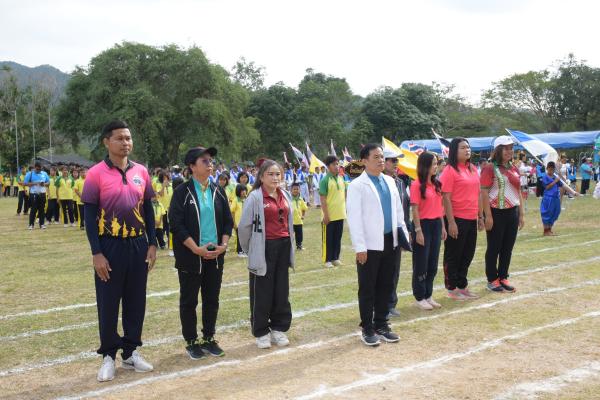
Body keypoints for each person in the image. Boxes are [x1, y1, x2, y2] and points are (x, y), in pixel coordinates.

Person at [81, 120, 157, 382]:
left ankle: (131, 351)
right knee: (108, 302)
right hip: (109, 245)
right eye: (120, 138)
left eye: (128, 138)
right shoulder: (95, 174)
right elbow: (89, 217)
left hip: (138, 244)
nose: (126, 143)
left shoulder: (142, 172)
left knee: (136, 300)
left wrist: (152, 243)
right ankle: (108, 356)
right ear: (107, 142)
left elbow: (148, 209)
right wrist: (97, 253)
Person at [170, 146, 233, 360]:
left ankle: (209, 338)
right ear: (192, 166)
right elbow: (176, 225)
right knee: (189, 301)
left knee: (211, 299)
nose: (210, 164)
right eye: (204, 161)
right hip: (191, 256)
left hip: (215, 256)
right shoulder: (182, 192)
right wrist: (196, 248)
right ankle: (191, 341)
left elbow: (227, 222)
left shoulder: (218, 190)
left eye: (211, 161)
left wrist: (223, 245)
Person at [347, 143, 409, 346]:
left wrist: (403, 237)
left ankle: (382, 324)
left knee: (387, 284)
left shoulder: (390, 181)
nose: (381, 160)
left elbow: (399, 212)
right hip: (370, 244)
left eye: (382, 157)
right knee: (368, 287)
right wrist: (360, 247)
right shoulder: (357, 185)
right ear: (364, 161)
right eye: (376, 157)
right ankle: (367, 328)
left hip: (391, 241)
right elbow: (354, 218)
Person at [238, 159, 295, 349]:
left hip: (283, 245)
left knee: (281, 290)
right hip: (263, 248)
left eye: (277, 174)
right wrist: (250, 249)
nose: (275, 177)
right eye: (270, 174)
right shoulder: (255, 197)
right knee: (262, 291)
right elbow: (244, 227)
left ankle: (279, 328)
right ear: (261, 177)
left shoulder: (285, 194)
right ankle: (261, 331)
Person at [439, 138, 483, 300]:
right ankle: (452, 288)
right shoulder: (449, 171)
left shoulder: (473, 169)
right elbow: (445, 197)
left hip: (471, 218)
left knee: (467, 254)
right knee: (454, 254)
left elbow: (478, 194)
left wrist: (480, 216)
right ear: (454, 151)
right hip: (456, 218)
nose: (467, 150)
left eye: (468, 147)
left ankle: (462, 286)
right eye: (463, 147)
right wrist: (451, 222)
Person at [480, 136, 524, 293]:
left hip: (512, 212)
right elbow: (484, 193)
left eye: (511, 148)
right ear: (498, 150)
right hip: (496, 212)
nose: (509, 151)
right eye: (506, 148)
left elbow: (518, 191)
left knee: (507, 247)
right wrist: (488, 215)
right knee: (494, 247)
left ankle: (503, 276)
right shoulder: (489, 168)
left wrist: (521, 214)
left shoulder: (514, 168)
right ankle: (492, 279)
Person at [410, 152, 446, 310]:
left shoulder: (437, 184)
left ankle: (428, 294)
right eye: (433, 164)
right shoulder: (416, 185)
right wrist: (418, 231)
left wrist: (443, 227)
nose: (436, 167)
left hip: (436, 224)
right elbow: (415, 209)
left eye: (437, 164)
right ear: (425, 166)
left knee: (433, 263)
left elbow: (440, 209)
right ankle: (420, 296)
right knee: (421, 263)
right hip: (423, 225)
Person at [383, 148, 411, 317]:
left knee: (395, 269)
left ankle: (391, 303)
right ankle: (381, 305)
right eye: (393, 160)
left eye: (397, 161)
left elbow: (405, 208)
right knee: (383, 271)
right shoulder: (379, 182)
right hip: (383, 233)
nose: (396, 164)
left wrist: (407, 231)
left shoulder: (400, 182)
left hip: (398, 232)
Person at [319, 155, 346, 268]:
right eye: (334, 164)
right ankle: (327, 260)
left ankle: (335, 258)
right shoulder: (325, 180)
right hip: (329, 215)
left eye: (337, 164)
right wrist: (326, 215)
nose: (337, 166)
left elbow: (344, 194)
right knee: (328, 239)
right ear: (328, 166)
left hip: (340, 214)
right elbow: (323, 199)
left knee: (337, 238)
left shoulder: (341, 178)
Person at [24, 162, 50, 230]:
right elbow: (25, 183)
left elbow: (48, 183)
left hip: (42, 194)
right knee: (33, 210)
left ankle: (42, 224)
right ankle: (31, 225)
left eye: (40, 169)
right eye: (38, 169)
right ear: (35, 167)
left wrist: (44, 184)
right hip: (34, 194)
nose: (39, 170)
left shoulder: (44, 173)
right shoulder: (30, 174)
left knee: (42, 210)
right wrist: (35, 183)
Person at [156, 171, 174, 255]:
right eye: (164, 178)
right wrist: (163, 186)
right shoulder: (159, 185)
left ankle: (170, 244)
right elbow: (160, 194)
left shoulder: (171, 185)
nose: (165, 179)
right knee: (162, 227)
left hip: (170, 209)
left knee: (170, 227)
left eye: (167, 177)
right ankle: (161, 243)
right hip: (162, 209)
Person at [229, 184, 248, 257]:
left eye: (245, 190)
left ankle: (245, 250)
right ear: (238, 191)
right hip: (238, 223)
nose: (244, 192)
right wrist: (233, 223)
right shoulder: (236, 200)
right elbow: (232, 211)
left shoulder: (247, 199)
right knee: (239, 238)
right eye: (242, 191)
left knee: (245, 237)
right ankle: (239, 251)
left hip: (246, 222)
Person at [290, 182, 308, 250]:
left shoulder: (301, 199)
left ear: (299, 190)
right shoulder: (289, 199)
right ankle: (289, 246)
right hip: (291, 221)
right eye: (294, 189)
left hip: (299, 221)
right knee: (290, 235)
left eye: (297, 189)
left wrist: (303, 216)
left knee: (299, 234)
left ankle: (299, 245)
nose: (296, 190)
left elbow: (304, 208)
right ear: (291, 190)